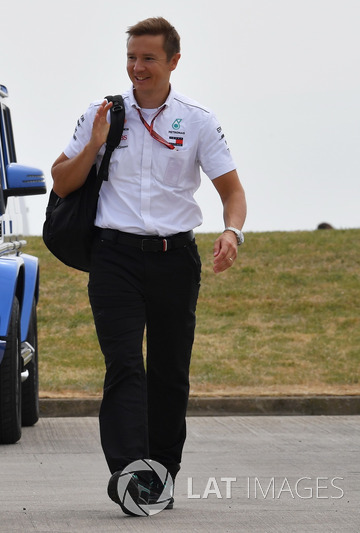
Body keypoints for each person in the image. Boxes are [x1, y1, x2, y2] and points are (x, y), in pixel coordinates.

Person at [50, 17, 247, 514]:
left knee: (169, 371)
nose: (138, 68)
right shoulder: (103, 114)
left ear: (173, 61)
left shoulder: (198, 120)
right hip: (113, 255)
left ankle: (162, 471)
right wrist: (94, 141)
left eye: (149, 59)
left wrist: (232, 231)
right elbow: (62, 181)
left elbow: (232, 191)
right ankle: (129, 472)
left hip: (175, 258)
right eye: (132, 58)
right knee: (123, 366)